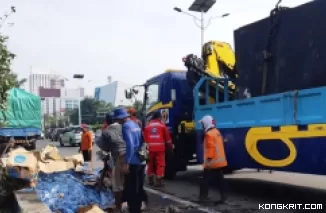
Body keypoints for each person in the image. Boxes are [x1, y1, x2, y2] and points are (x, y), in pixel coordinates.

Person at [113, 107, 145, 213]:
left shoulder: (126, 126)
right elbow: (141, 141)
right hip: (141, 159)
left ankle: (134, 210)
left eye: (118, 120)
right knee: (139, 187)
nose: (118, 122)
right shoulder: (135, 124)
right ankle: (138, 208)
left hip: (133, 161)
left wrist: (127, 162)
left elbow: (130, 145)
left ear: (121, 118)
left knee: (132, 188)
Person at [98, 112, 126, 212]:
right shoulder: (124, 126)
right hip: (132, 155)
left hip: (119, 156)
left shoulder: (106, 130)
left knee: (117, 184)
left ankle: (118, 207)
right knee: (128, 181)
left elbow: (104, 147)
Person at [198, 115, 227, 203]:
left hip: (212, 162)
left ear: (206, 123)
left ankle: (202, 198)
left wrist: (208, 161)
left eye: (203, 124)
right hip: (220, 161)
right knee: (220, 181)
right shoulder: (216, 132)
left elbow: (211, 148)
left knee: (205, 181)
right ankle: (223, 197)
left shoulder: (208, 134)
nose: (202, 126)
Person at [143, 111, 173, 187]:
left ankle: (150, 180)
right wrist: (170, 147)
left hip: (149, 149)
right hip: (160, 149)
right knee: (160, 164)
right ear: (159, 117)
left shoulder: (147, 126)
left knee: (150, 164)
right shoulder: (162, 126)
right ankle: (158, 181)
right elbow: (168, 139)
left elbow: (144, 139)